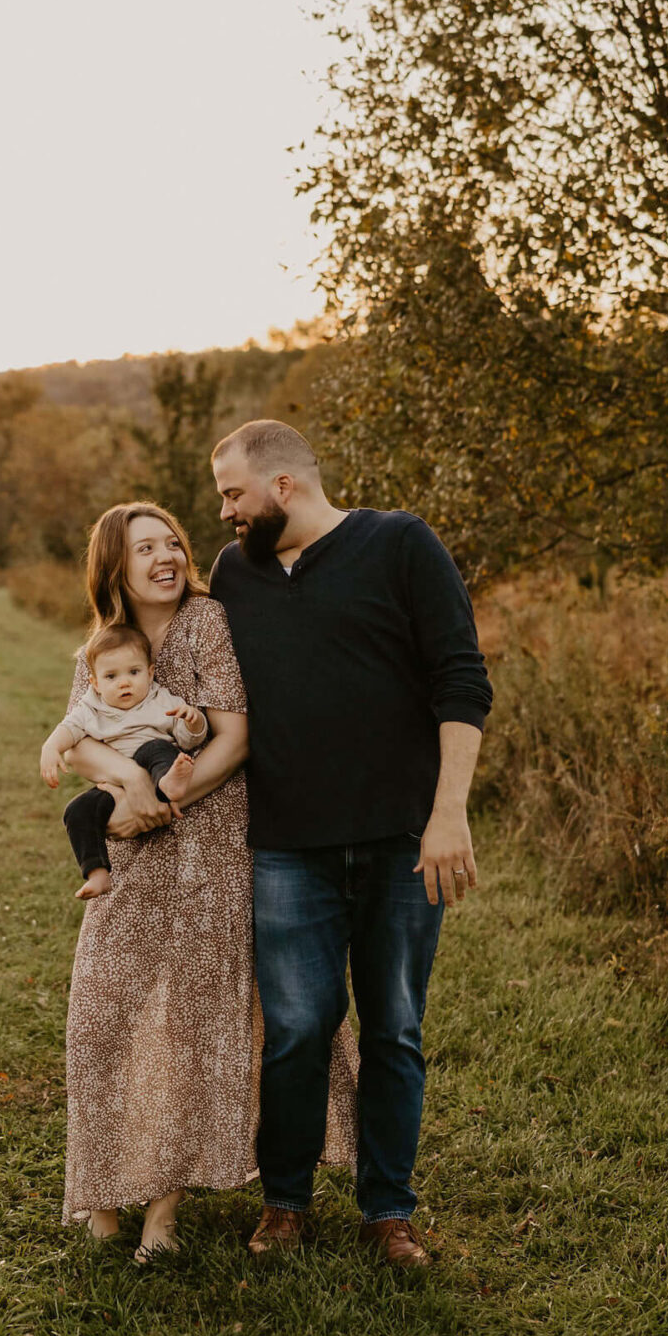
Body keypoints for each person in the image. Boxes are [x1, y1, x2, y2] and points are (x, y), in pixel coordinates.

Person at [209, 421, 493, 1275]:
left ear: (283, 486)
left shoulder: (399, 544)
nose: (223, 512)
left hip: (403, 841)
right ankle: (284, 1202)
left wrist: (448, 813)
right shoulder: (235, 574)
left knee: (394, 1029)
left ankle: (387, 1213)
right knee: (294, 1029)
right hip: (287, 844)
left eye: (232, 493)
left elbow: (461, 678)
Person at [48, 500, 355, 1262]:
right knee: (100, 1015)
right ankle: (104, 1186)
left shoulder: (206, 622)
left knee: (189, 1024)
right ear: (114, 565)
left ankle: (162, 1210)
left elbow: (236, 734)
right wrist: (127, 786)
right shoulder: (101, 646)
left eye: (171, 543)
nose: (163, 557)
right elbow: (79, 742)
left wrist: (164, 798)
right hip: (130, 844)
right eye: (144, 547)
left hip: (207, 843)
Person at [41, 621, 208, 898]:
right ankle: (97, 873)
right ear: (94, 682)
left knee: (160, 749)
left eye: (134, 672)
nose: (124, 682)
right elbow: (69, 729)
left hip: (155, 766)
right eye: (111, 677)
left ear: (150, 672)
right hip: (114, 784)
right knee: (77, 811)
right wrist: (51, 747)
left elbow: (188, 739)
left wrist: (193, 721)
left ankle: (172, 784)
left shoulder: (160, 698)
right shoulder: (92, 705)